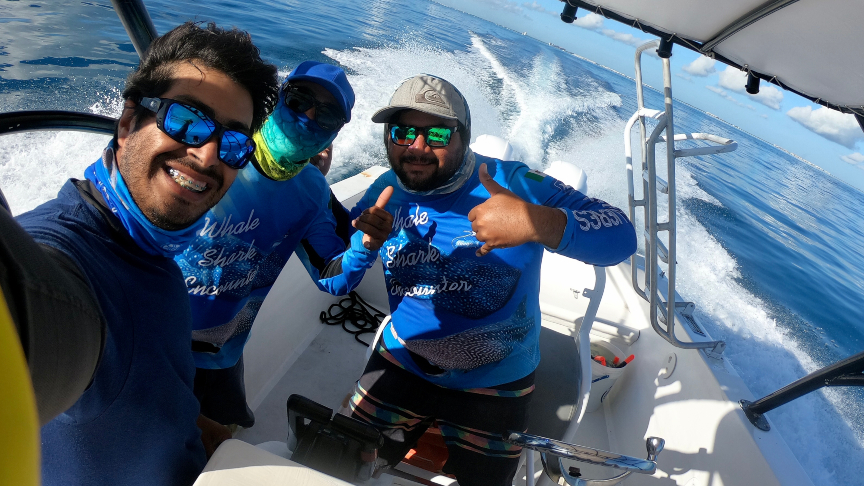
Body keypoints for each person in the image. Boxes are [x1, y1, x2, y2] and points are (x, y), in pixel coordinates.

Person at [5, 22, 279, 485]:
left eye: (234, 143)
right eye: (187, 121)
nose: (209, 156)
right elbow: (32, 319)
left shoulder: (146, 248)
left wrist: (187, 423)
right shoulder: (67, 260)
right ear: (129, 123)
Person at [345, 75, 637, 485]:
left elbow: (621, 235)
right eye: (403, 132)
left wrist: (538, 222)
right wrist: (364, 240)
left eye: (438, 134)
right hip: (403, 358)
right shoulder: (388, 187)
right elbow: (340, 263)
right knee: (339, 457)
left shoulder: (517, 183)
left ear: (464, 137)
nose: (417, 147)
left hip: (497, 380)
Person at [178, 61, 392, 429]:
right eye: (299, 99)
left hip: (221, 354)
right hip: (151, 338)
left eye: (325, 115)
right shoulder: (209, 149)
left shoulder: (311, 191)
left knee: (225, 434)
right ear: (276, 99)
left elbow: (333, 277)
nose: (308, 116)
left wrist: (365, 246)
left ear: (333, 135)